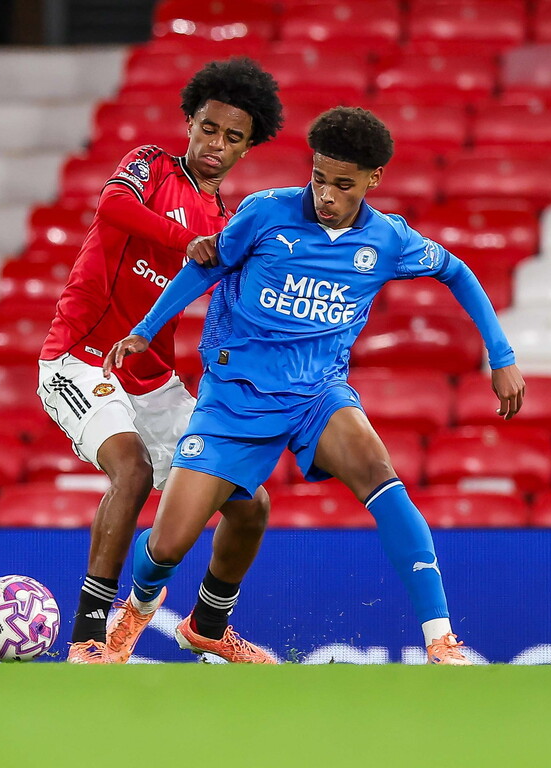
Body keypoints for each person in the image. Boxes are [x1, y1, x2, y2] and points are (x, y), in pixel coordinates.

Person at [104, 106, 526, 665]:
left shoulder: (388, 240)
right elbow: (206, 267)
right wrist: (143, 330)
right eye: (319, 178)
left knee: (382, 477)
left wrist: (501, 356)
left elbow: (457, 271)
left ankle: (440, 641)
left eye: (342, 184)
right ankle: (134, 614)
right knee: (169, 542)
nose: (326, 194)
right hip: (235, 397)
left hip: (317, 394)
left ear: (374, 180)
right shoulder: (265, 213)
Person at [37, 59, 284, 663]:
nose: (215, 145)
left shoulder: (228, 223)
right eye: (208, 129)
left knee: (251, 505)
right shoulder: (149, 165)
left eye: (233, 138)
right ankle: (89, 638)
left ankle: (207, 624)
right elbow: (112, 210)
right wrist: (188, 245)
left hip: (153, 380)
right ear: (190, 124)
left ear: (247, 148)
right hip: (79, 359)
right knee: (134, 472)